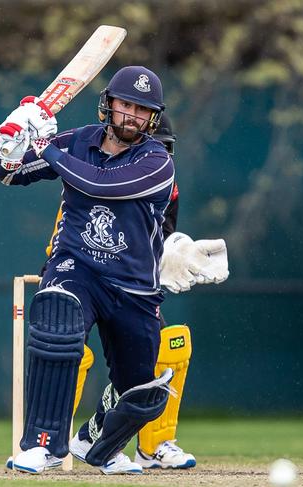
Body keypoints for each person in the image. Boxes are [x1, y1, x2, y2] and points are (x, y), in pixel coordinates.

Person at [0, 66, 177, 475]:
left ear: (152, 117)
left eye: (142, 110)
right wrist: (11, 142)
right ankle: (44, 444)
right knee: (57, 315)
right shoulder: (76, 141)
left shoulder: (157, 161)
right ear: (108, 105)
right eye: (126, 105)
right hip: (78, 266)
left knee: (140, 389)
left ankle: (98, 442)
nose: (132, 116)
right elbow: (9, 175)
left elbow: (100, 184)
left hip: (134, 286)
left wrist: (48, 148)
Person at [50, 115, 200, 469]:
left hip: (133, 287)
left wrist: (177, 253)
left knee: (166, 349)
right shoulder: (101, 178)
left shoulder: (168, 184)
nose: (158, 160)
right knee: (69, 350)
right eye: (155, 149)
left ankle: (150, 445)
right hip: (86, 277)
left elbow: (155, 239)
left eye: (165, 151)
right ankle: (48, 443)